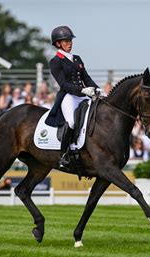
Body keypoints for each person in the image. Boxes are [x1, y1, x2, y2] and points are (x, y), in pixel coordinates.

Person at [45, 26, 98, 169]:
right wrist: (83, 90)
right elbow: (63, 84)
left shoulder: (77, 58)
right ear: (58, 44)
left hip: (83, 94)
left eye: (70, 40)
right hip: (69, 96)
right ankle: (64, 155)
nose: (70, 43)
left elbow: (86, 77)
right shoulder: (55, 61)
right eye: (66, 41)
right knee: (72, 122)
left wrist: (98, 89)